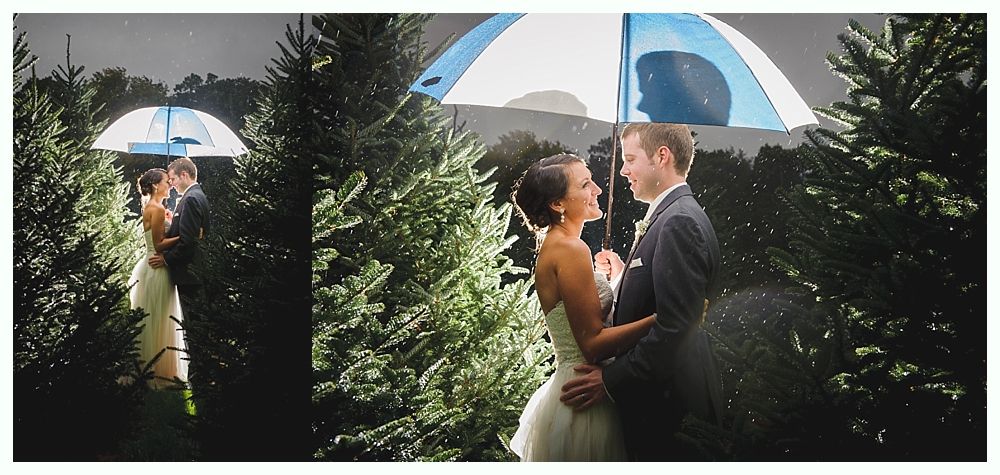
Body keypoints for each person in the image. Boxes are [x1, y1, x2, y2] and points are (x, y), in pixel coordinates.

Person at [559, 123, 723, 461]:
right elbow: (664, 294)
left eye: (630, 158)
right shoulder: (674, 213)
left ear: (662, 156)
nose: (623, 169)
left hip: (668, 408)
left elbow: (676, 327)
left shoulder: (678, 221)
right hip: (664, 399)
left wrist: (610, 379)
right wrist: (623, 275)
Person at [508, 153, 656, 461]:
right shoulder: (571, 249)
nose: (598, 191)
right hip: (586, 397)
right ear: (558, 204)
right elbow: (593, 344)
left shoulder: (556, 245)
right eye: (586, 184)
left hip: (569, 385)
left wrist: (612, 278)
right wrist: (661, 318)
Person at [128, 168, 188, 387]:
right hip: (158, 267)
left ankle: (149, 368)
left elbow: (156, 236)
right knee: (162, 316)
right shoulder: (158, 208)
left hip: (148, 266)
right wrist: (182, 235)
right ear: (155, 186)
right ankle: (162, 371)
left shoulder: (151, 207)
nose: (170, 184)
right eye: (166, 181)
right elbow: (160, 244)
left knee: (152, 317)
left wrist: (168, 222)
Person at [148, 157, 210, 325]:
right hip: (192, 272)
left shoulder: (190, 199)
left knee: (191, 325)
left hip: (187, 274)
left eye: (173, 179)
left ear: (184, 175)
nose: (172, 184)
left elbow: (187, 240)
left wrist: (165, 258)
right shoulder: (197, 195)